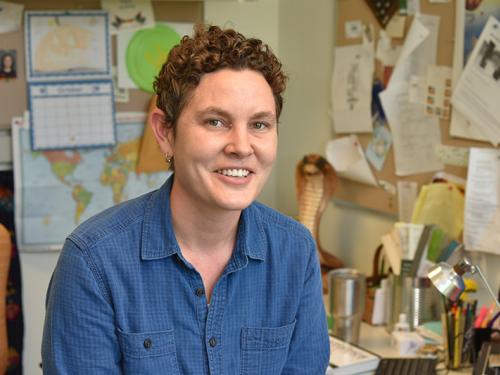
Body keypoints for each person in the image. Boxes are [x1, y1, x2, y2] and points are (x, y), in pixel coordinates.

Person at [42, 24, 330, 374]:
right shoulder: (93, 262)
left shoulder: (295, 252)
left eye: (259, 125)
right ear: (165, 133)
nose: (241, 146)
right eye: (215, 122)